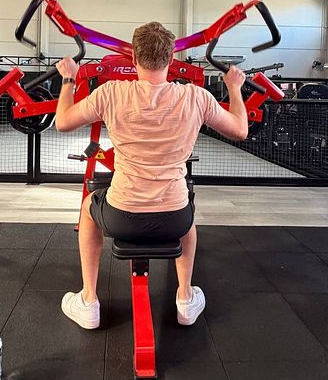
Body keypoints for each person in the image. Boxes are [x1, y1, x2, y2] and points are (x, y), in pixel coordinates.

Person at [53, 21, 248, 330]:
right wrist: (235, 89)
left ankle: (88, 300)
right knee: (187, 208)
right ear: (171, 60)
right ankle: (185, 298)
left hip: (122, 215)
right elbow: (240, 130)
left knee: (90, 206)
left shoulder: (111, 93)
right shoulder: (196, 97)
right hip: (174, 217)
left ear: (133, 59)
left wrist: (68, 79)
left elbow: (62, 121)